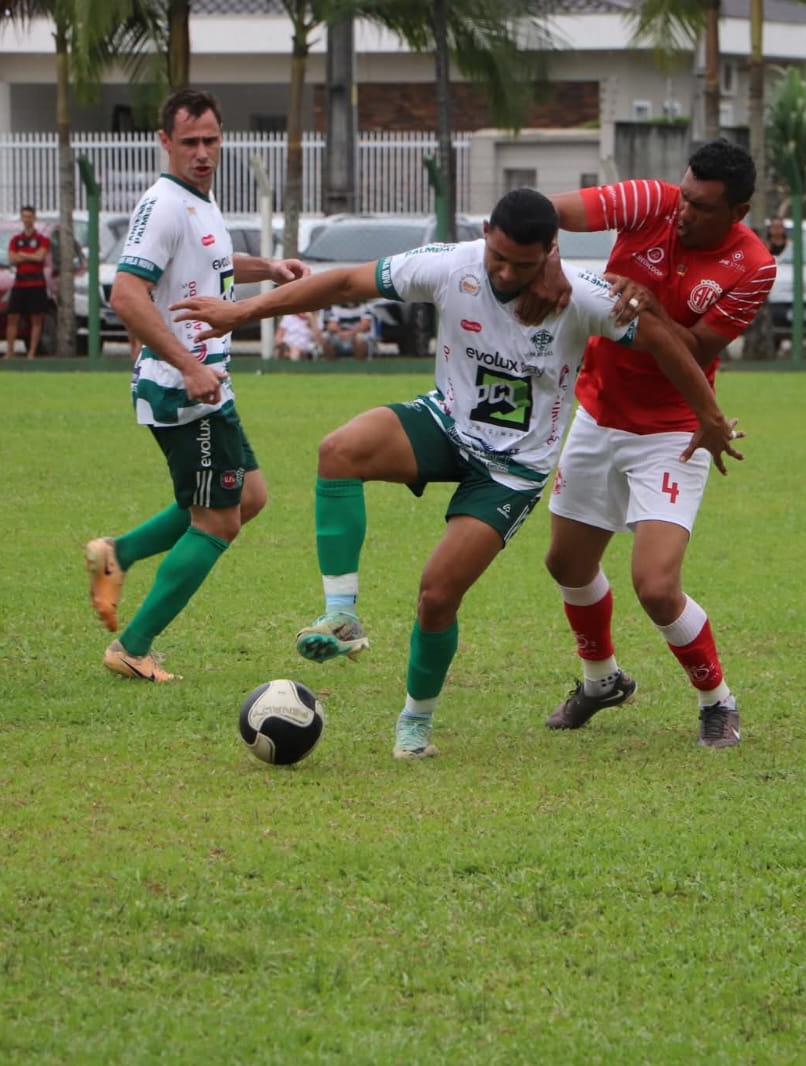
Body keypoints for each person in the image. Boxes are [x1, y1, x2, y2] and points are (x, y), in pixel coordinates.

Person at [171, 187, 743, 759]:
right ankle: (342, 615)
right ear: (487, 232)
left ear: (551, 251)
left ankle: (415, 724)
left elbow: (666, 340)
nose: (504, 272)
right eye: (497, 255)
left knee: (437, 596)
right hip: (446, 424)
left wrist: (710, 417)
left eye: (523, 264)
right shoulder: (450, 265)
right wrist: (242, 311)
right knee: (339, 450)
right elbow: (346, 283)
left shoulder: (585, 298)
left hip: (513, 469)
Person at [512, 140, 777, 750]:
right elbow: (539, 211)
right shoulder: (647, 201)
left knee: (656, 587)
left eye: (704, 206)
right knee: (566, 564)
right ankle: (600, 681)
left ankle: (718, 700)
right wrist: (550, 262)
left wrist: (652, 306)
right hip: (599, 413)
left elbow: (695, 350)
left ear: (738, 211)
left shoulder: (752, 265)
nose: (684, 212)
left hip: (671, 432)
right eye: (685, 195)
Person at [80, 87, 309, 682]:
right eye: (190, 142)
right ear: (165, 143)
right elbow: (126, 294)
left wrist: (270, 270)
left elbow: (212, 263)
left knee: (247, 498)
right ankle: (132, 646)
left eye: (211, 139)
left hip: (208, 383)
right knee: (217, 520)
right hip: (186, 391)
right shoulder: (163, 205)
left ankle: (117, 553)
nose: (203, 152)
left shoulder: (198, 200)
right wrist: (188, 365)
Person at [4, 204, 51, 358]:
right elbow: (11, 258)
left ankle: (31, 352)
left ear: (34, 218)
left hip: (36, 284)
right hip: (19, 284)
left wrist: (22, 255)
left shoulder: (41, 239)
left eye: (29, 217)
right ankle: (9, 351)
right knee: (12, 317)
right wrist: (29, 256)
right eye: (24, 217)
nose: (27, 220)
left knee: (36, 319)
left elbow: (40, 257)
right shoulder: (16, 239)